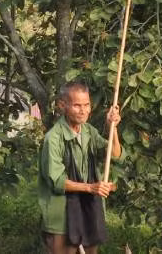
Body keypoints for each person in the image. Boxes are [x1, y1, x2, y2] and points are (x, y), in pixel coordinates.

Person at [38, 81, 122, 254]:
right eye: (77, 105)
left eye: (87, 105)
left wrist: (112, 127)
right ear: (63, 105)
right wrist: (91, 187)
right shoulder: (53, 138)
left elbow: (114, 154)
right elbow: (57, 182)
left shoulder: (89, 131)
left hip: (88, 209)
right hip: (61, 216)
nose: (83, 110)